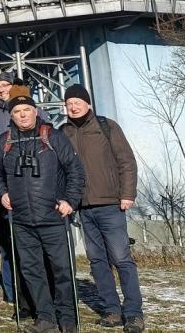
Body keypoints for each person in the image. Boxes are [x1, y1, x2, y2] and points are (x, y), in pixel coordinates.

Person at [0, 82, 85, 333]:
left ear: (35, 111)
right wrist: (2, 193)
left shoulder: (52, 136)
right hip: (21, 220)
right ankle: (46, 318)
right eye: (17, 112)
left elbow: (75, 170)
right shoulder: (4, 141)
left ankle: (68, 318)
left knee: (62, 269)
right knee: (32, 271)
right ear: (12, 115)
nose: (23, 115)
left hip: (52, 217)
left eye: (27, 110)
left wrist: (69, 200)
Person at [61, 84, 144, 333]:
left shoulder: (106, 126)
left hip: (111, 204)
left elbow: (126, 161)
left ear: (88, 104)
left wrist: (127, 194)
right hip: (83, 207)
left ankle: (133, 313)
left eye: (77, 101)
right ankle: (111, 310)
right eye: (68, 103)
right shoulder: (63, 132)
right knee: (97, 261)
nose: (73, 106)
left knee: (121, 258)